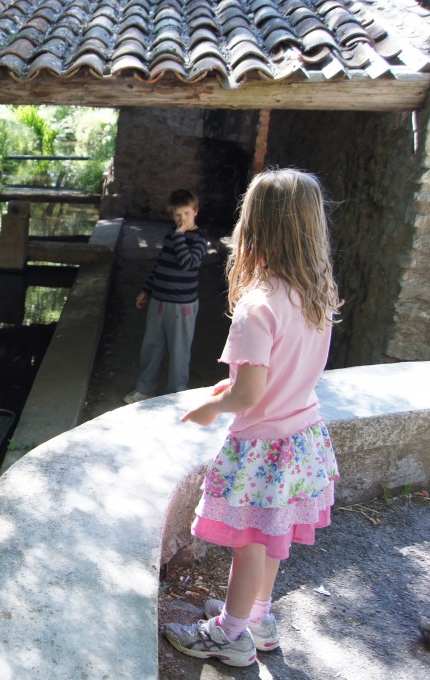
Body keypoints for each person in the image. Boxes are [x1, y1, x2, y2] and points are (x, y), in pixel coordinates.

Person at [164, 168, 343, 667]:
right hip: (303, 435)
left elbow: (247, 394)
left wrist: (210, 406)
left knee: (248, 543)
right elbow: (287, 371)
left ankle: (230, 634)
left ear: (253, 227)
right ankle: (258, 618)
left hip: (263, 447)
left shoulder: (256, 306)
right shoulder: (316, 294)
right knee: (272, 537)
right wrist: (241, 388)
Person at [123, 189, 207, 405]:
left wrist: (179, 237)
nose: (181, 220)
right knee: (151, 346)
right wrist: (147, 290)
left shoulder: (199, 239)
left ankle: (176, 394)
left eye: (186, 214)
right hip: (159, 300)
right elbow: (160, 266)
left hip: (182, 306)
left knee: (179, 350)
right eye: (177, 215)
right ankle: (145, 388)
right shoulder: (171, 234)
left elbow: (189, 263)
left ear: (195, 212)